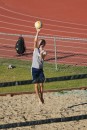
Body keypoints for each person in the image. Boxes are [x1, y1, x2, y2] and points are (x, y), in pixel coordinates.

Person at [31, 29, 47, 104]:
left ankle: (42, 96)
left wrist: (41, 53)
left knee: (41, 85)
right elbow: (35, 40)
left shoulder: (44, 52)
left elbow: (42, 58)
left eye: (42, 43)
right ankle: (39, 99)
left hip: (40, 70)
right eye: (40, 43)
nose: (41, 44)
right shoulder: (35, 49)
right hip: (34, 69)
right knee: (36, 85)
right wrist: (37, 32)